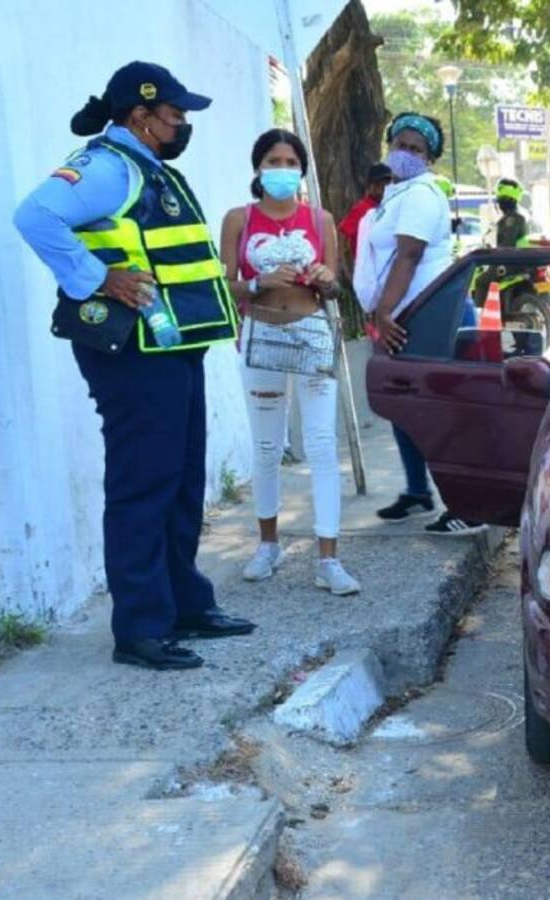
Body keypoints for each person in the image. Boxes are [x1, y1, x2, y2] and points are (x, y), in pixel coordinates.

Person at [13, 61, 255, 671]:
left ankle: (183, 604)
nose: (182, 125)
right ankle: (141, 628)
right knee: (143, 482)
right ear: (141, 117)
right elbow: (35, 216)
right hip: (134, 354)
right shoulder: (105, 167)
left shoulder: (146, 166)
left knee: (180, 480)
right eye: (175, 116)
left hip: (171, 346)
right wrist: (99, 279)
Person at [219, 129, 360, 596]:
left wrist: (324, 278)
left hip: (311, 334)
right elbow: (225, 286)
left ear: (301, 168)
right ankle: (267, 544)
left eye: (290, 161)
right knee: (265, 447)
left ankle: (329, 558)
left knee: (321, 445)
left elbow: (337, 287)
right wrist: (258, 283)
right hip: (260, 335)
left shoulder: (319, 219)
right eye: (273, 161)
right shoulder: (239, 219)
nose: (283, 169)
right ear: (258, 167)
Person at [356, 112, 484, 536]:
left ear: (430, 158)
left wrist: (384, 312)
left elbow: (408, 257)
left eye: (417, 150)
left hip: (431, 318)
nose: (407, 154)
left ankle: (469, 505)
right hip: (407, 318)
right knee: (403, 408)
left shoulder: (422, 195)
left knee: (438, 414)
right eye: (401, 145)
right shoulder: (396, 194)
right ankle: (417, 491)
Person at [337, 162, 391, 283]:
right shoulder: (362, 209)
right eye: (379, 185)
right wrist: (343, 266)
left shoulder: (390, 206)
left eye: (387, 185)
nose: (383, 189)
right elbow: (342, 233)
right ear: (370, 186)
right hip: (367, 272)